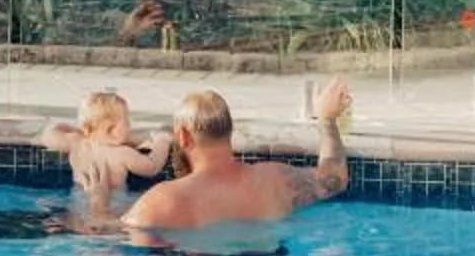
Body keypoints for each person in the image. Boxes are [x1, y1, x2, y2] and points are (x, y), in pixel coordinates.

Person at [124, 78, 351, 231]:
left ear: (183, 137)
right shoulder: (275, 180)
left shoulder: (160, 202)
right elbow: (335, 178)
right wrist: (326, 119)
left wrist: (97, 199)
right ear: (230, 132)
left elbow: (108, 234)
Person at [37, 89, 169, 211]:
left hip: (78, 200)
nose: (130, 127)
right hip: (115, 203)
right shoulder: (122, 153)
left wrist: (65, 127)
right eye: (127, 122)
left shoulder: (77, 144)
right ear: (111, 130)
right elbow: (152, 166)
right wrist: (162, 142)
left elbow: (48, 136)